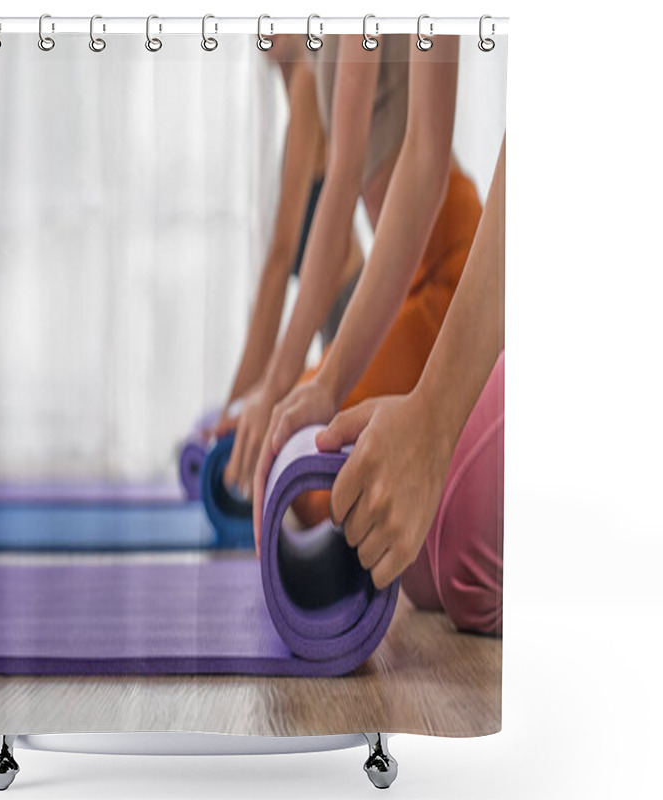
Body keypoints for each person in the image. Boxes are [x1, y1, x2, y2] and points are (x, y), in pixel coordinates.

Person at [253, 136, 507, 636]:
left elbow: (320, 210)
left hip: (454, 273)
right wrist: (322, 385)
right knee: (410, 556)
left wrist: (434, 419)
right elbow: (419, 153)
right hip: (409, 274)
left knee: (460, 555)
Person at [219, 34, 482, 506]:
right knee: (283, 442)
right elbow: (343, 183)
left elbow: (347, 183)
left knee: (313, 480)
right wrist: (272, 388)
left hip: (449, 268)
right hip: (402, 279)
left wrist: (286, 381)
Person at [217, 35, 362, 426]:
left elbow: (280, 262)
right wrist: (241, 403)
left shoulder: (307, 86)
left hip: (352, 307)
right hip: (335, 312)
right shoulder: (299, 93)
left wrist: (235, 407)